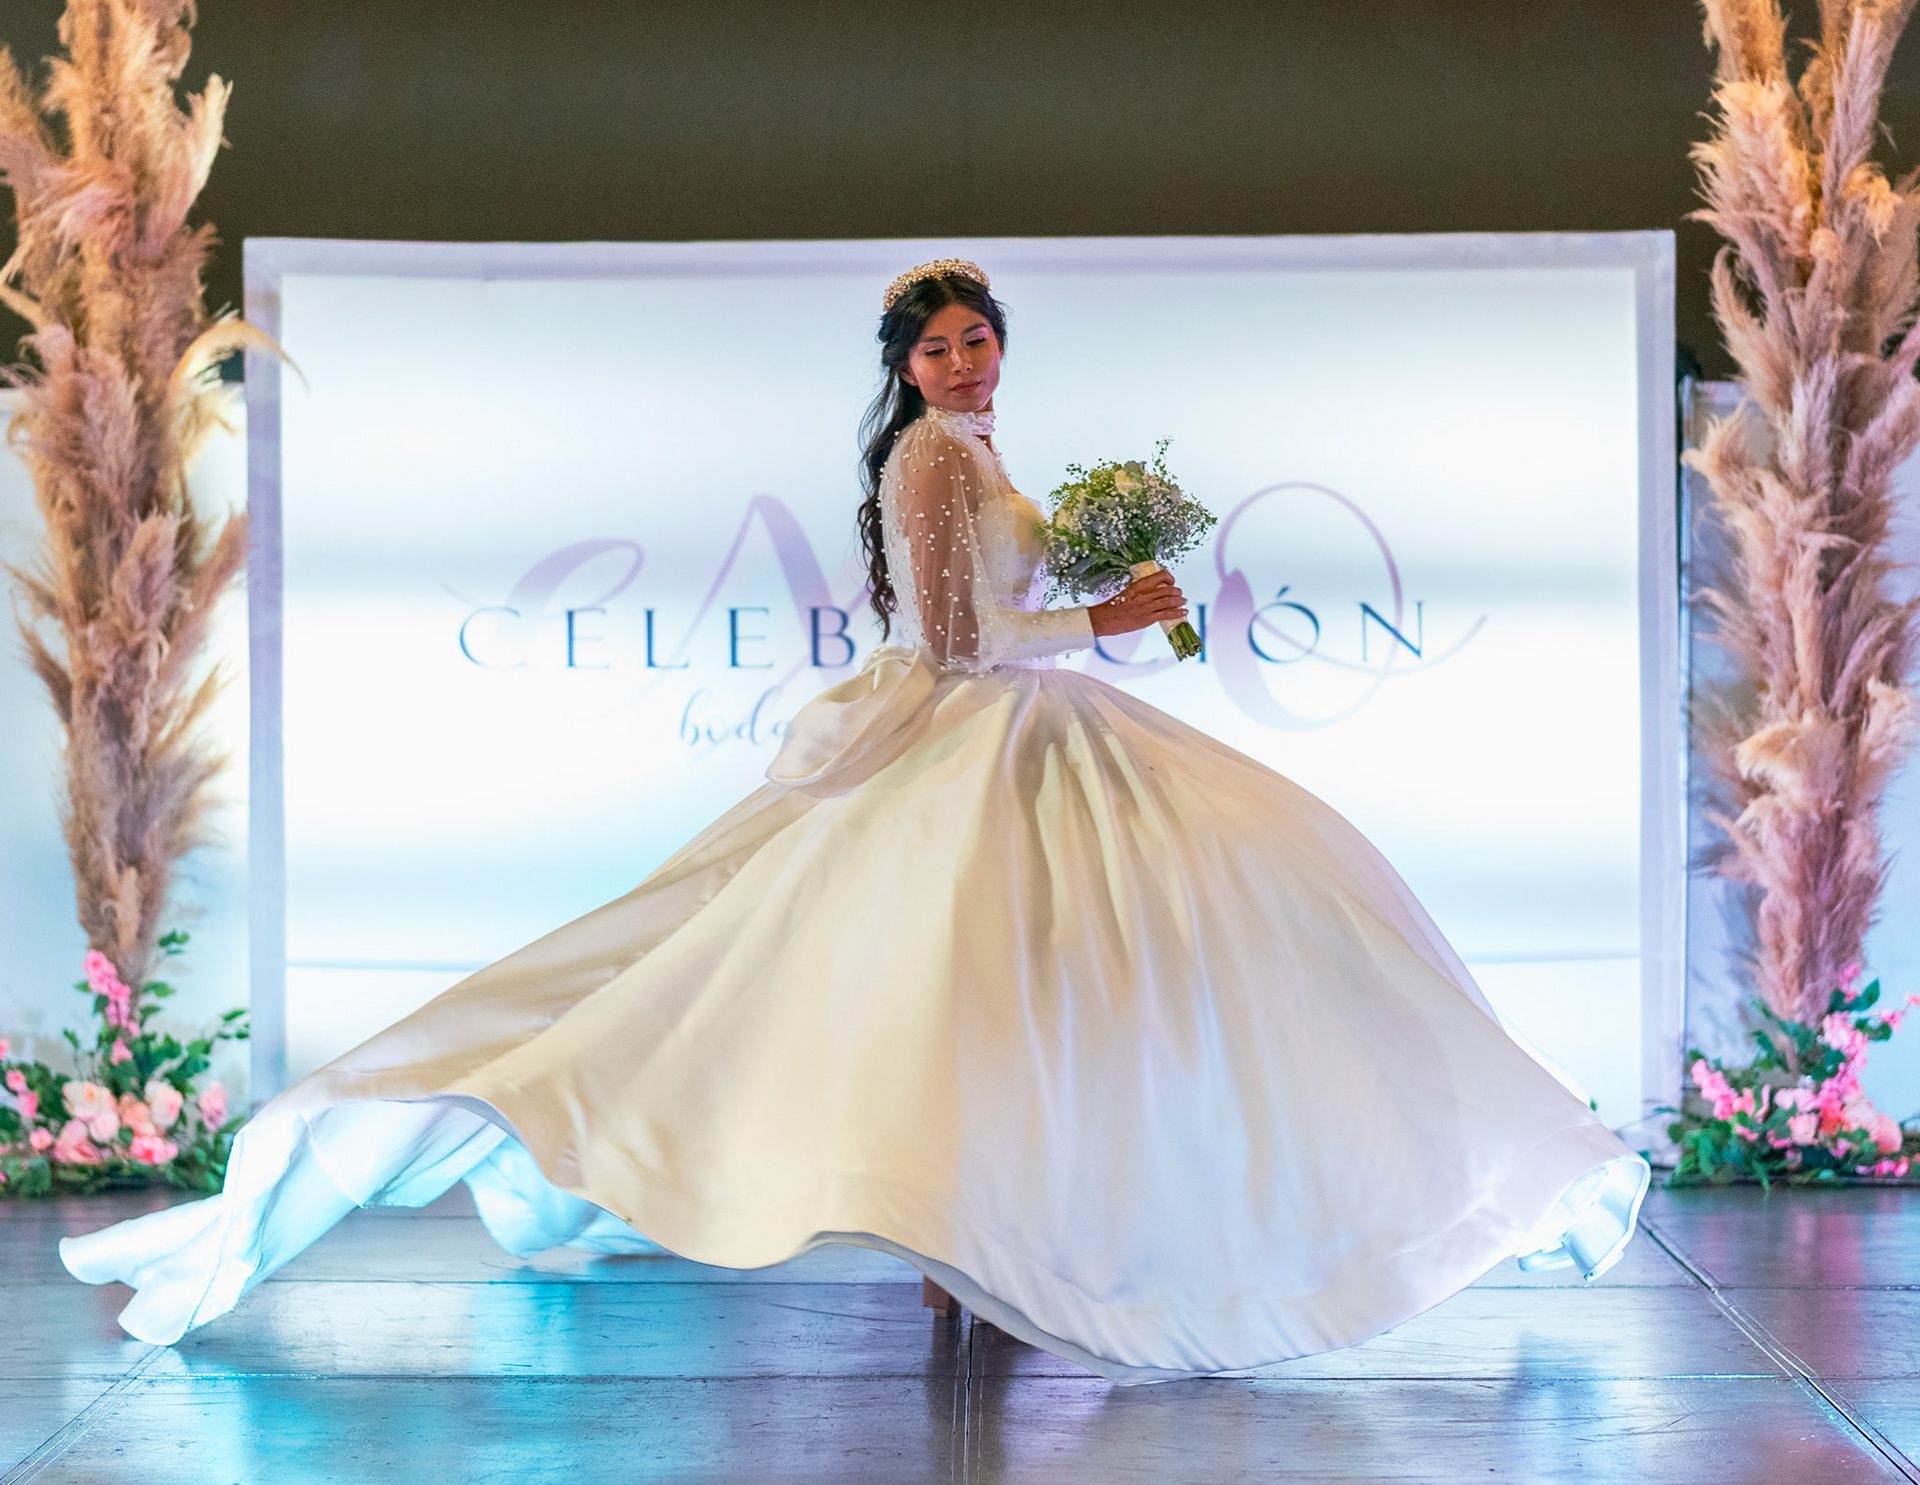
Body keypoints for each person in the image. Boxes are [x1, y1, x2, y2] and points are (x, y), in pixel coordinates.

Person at [62, 259, 1648, 1383]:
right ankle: (991, 1259)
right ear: (906, 365)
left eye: (979, 338)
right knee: (927, 993)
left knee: (1075, 985)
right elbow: (957, 645)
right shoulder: (928, 458)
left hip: (1026, 732)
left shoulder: (980, 450)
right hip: (970, 741)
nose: (964, 362)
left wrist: (1117, 599)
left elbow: (997, 621)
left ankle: (1022, 1248)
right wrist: (1102, 622)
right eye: (939, 346)